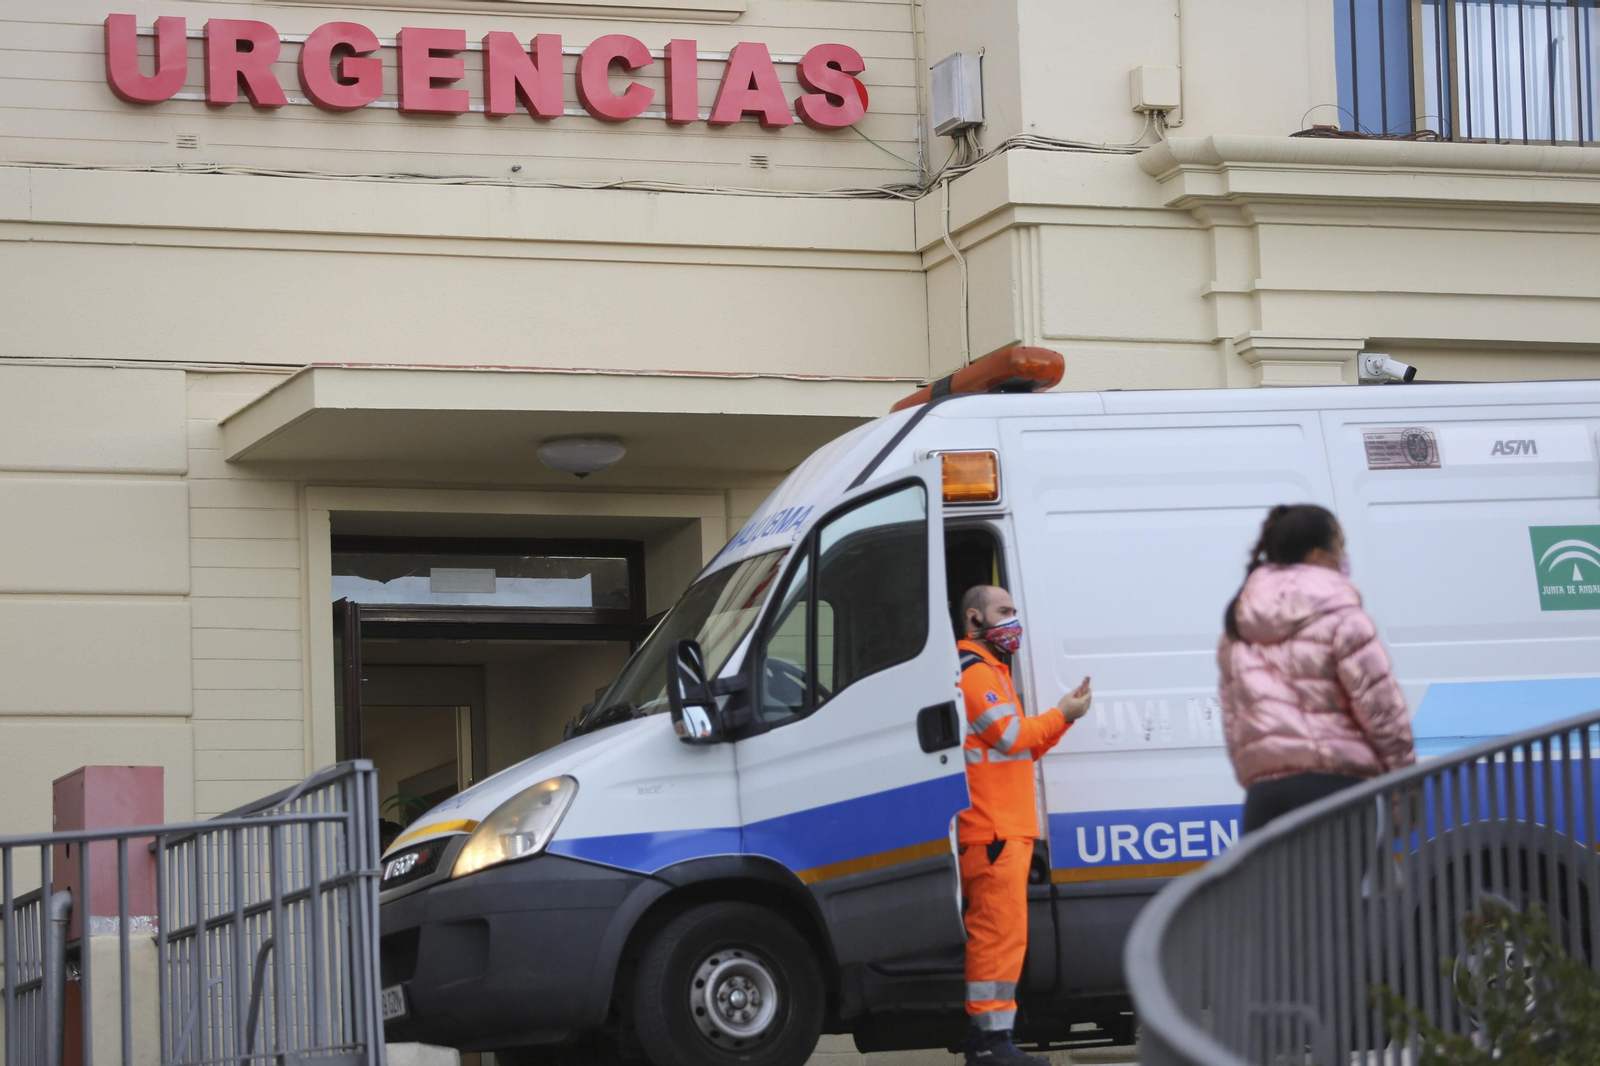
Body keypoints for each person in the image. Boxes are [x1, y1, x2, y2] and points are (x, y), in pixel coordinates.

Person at [956, 585, 1092, 1066]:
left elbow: (1024, 747)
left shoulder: (990, 671)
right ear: (975, 618)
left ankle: (991, 1039)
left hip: (1001, 830)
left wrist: (1064, 720)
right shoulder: (974, 673)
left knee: (1005, 936)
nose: (1014, 620)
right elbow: (1014, 736)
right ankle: (990, 1045)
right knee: (997, 937)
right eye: (1004, 612)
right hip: (993, 831)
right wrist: (1062, 713)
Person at [1217, 504, 1415, 834]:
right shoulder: (1342, 616)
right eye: (1340, 545)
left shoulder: (1236, 627)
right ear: (1317, 555)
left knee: (1277, 888)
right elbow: (1381, 711)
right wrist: (1403, 791)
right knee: (1337, 887)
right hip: (1334, 791)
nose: (1345, 556)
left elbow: (1232, 719)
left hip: (1265, 799)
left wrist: (1257, 775)